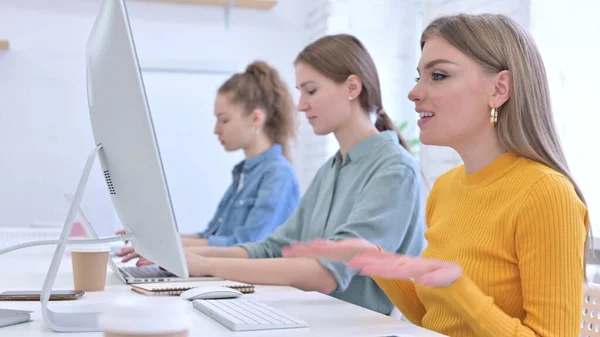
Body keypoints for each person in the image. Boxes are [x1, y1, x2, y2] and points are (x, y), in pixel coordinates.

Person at [283, 13, 590, 337]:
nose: (414, 93)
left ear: (499, 88)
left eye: (439, 75)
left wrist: (459, 289)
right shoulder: (445, 188)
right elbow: (432, 319)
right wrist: (374, 260)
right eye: (419, 76)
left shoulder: (547, 194)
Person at [178, 34, 426, 315]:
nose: (300, 105)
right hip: (314, 320)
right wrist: (185, 257)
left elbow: (325, 273)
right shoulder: (330, 170)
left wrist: (207, 266)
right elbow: (273, 248)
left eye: (310, 91)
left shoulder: (394, 169)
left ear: (352, 87)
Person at [117, 61, 301, 262]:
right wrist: (154, 240)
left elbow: (248, 244)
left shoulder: (278, 175)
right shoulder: (243, 173)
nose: (216, 130)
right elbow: (209, 237)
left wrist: (168, 249)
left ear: (256, 119)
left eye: (224, 120)